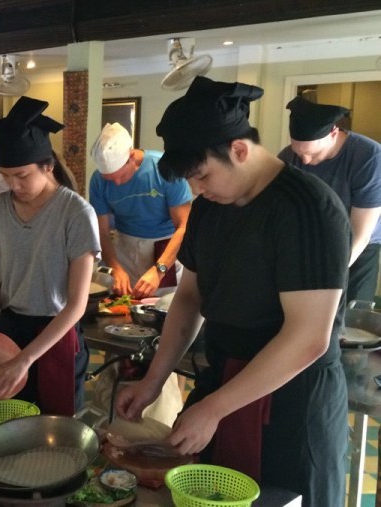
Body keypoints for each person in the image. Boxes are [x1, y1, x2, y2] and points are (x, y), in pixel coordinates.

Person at [115, 76, 349, 506]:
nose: (198, 191)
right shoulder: (208, 209)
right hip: (223, 381)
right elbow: (189, 298)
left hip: (290, 402)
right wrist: (154, 380)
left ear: (239, 150)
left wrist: (215, 408)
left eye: (202, 176)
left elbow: (308, 338)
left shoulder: (308, 209)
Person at [0, 97, 99, 416]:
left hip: (56, 334)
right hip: (11, 329)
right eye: (5, 175)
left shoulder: (75, 213)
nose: (12, 185)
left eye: (22, 175)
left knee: (57, 434)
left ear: (48, 166)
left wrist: (26, 359)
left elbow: (76, 305)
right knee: (11, 423)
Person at [279, 96, 381, 304]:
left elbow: (360, 233)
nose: (305, 161)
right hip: (313, 238)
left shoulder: (369, 157)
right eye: (299, 153)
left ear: (334, 133)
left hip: (361, 245)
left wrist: (330, 276)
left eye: (312, 154)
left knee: (350, 309)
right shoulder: (289, 157)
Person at [89, 123, 192, 297]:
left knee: (162, 308)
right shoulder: (98, 181)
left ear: (131, 156)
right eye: (110, 179)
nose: (117, 183)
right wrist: (115, 268)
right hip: (124, 248)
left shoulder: (164, 171)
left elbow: (184, 226)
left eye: (120, 176)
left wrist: (159, 270)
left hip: (165, 248)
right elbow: (101, 231)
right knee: (124, 304)